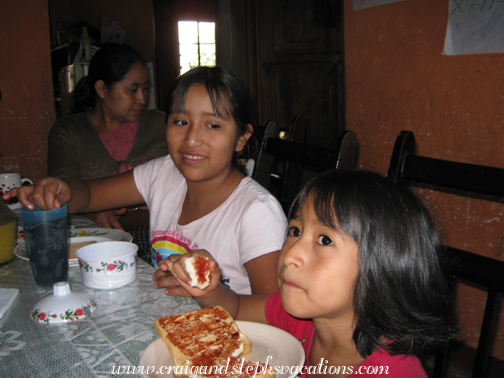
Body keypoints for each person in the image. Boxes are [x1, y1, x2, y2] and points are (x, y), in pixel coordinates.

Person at [6, 66, 287, 296]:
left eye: (213, 125)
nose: (191, 139)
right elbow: (89, 195)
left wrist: (210, 295)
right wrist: (62, 190)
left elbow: (276, 313)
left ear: (241, 138)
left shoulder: (256, 212)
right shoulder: (162, 173)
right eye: (180, 121)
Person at [160, 170, 457, 377]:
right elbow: (235, 308)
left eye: (325, 240)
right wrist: (210, 290)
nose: (289, 255)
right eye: (295, 231)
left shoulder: (393, 373)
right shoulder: (301, 321)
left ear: (383, 267)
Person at [48, 43, 168, 235]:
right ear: (102, 89)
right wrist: (93, 211)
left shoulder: (160, 125)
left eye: (145, 89)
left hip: (160, 233)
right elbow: (61, 193)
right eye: (133, 90)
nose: (142, 99)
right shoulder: (68, 132)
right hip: (98, 239)